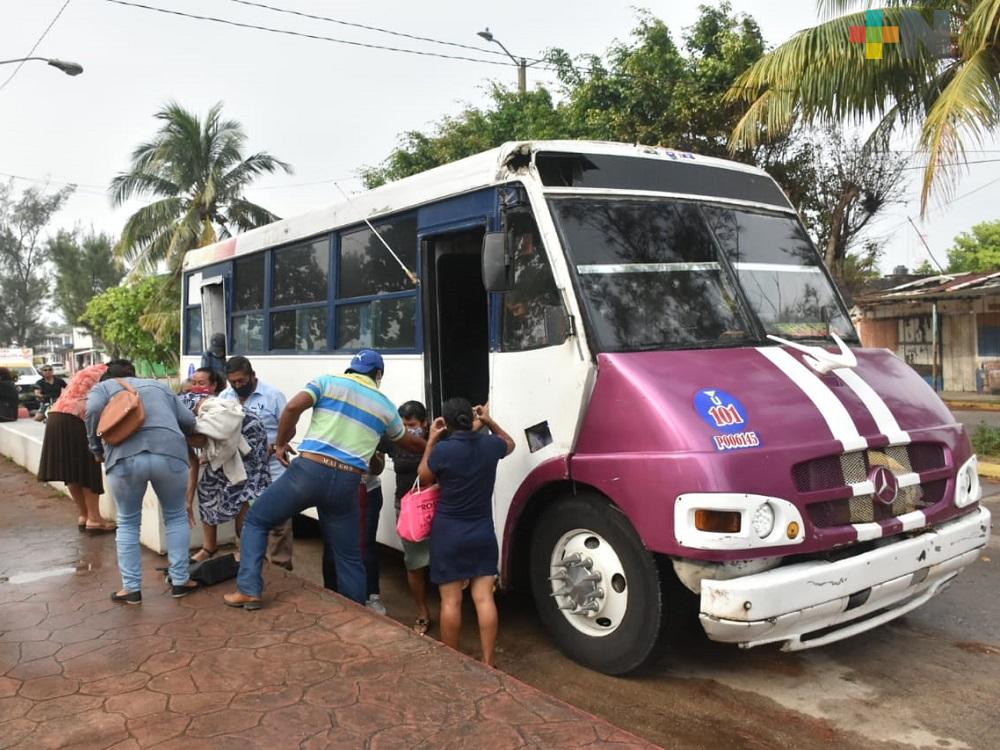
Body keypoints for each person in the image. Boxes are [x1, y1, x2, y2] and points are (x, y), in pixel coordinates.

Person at [224, 349, 426, 609]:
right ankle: (356, 613)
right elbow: (407, 442)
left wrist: (281, 443)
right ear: (378, 375)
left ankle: (250, 590)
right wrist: (431, 442)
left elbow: (294, 406)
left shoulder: (328, 382)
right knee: (349, 556)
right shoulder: (384, 404)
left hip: (309, 472)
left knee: (257, 519)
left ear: (351, 369)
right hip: (348, 483)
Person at [85, 359, 200, 603]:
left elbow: (93, 411)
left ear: (107, 376)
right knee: (176, 516)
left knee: (127, 522)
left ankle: (132, 589)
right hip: (169, 453)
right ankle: (180, 581)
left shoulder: (103, 388)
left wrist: (96, 448)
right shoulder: (159, 387)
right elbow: (189, 421)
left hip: (124, 458)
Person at [418, 399, 515, 668]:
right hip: (481, 530)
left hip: (448, 533)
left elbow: (424, 476)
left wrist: (431, 440)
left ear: (446, 423)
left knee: (451, 601)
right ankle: (488, 661)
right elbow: (510, 444)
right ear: (471, 417)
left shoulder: (443, 451)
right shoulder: (490, 445)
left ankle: (453, 662)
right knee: (484, 598)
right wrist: (488, 421)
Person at [219, 357, 294, 570]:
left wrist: (278, 444)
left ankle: (280, 571)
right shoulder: (225, 397)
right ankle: (251, 567)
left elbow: (290, 427)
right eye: (233, 382)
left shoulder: (273, 396)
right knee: (245, 523)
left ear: (252, 375)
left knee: (279, 523)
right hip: (240, 472)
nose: (237, 386)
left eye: (241, 381)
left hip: (273, 470)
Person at [37, 362, 115, 532]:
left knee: (71, 471)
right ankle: (95, 519)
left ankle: (84, 515)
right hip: (77, 419)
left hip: (56, 417)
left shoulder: (89, 371)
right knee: (87, 469)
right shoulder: (110, 376)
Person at [382, 400, 433, 634]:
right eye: (403, 425)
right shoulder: (394, 440)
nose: (407, 429)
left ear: (424, 423)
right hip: (407, 509)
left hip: (435, 507)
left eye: (412, 424)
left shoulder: (436, 439)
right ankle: (422, 612)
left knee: (440, 560)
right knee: (414, 562)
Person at [321, 451, 387, 613]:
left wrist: (370, 451)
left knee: (366, 546)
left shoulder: (374, 428)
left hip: (368, 492)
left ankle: (370, 596)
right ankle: (332, 593)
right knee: (331, 547)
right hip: (333, 491)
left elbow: (378, 468)